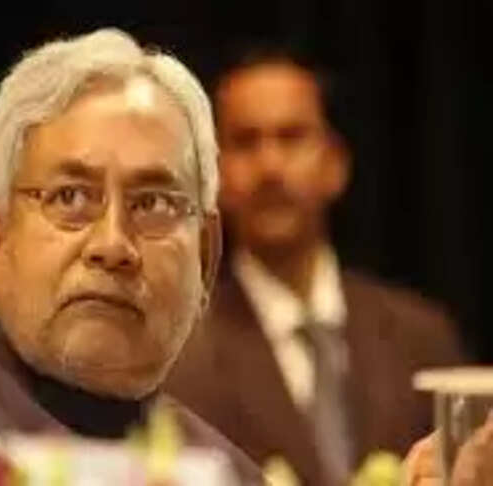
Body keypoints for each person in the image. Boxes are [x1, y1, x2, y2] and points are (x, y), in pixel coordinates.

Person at [0, 28, 264, 484]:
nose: (113, 245)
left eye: (153, 204)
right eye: (71, 197)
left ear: (206, 259)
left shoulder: (228, 474)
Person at [165, 45, 467, 486]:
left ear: (335, 163)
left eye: (291, 137)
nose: (270, 166)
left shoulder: (422, 338)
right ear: (215, 176)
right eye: (246, 142)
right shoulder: (181, 358)